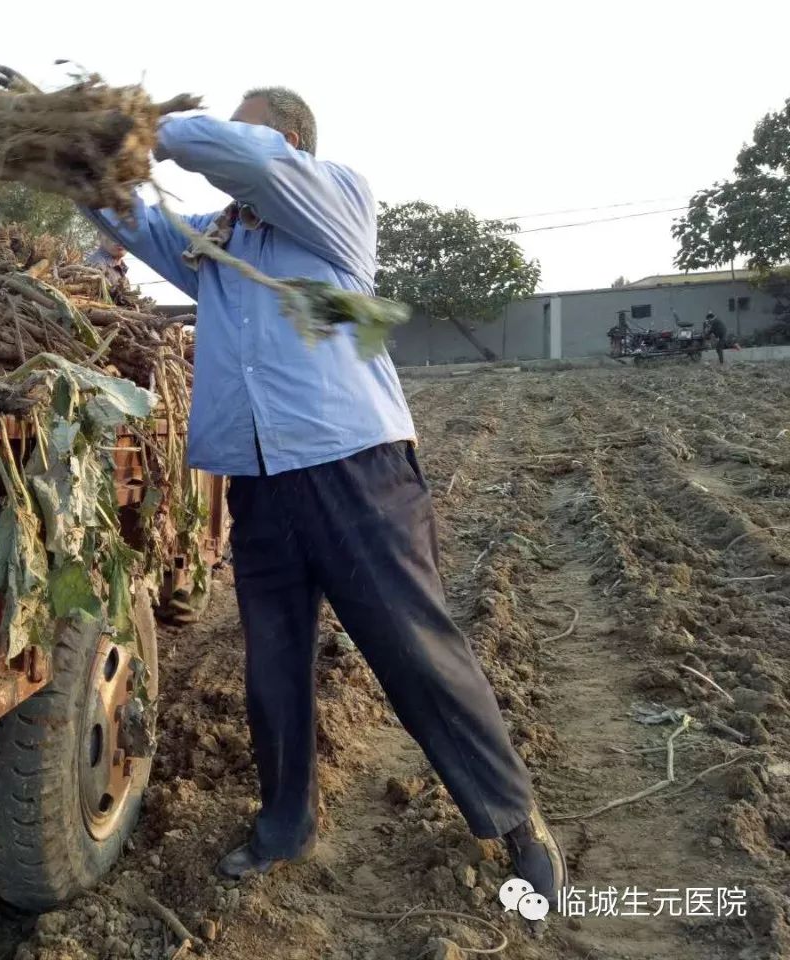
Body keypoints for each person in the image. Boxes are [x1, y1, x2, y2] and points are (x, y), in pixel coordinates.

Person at [87, 88, 567, 902]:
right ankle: (284, 823)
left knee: (414, 650)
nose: (235, 142)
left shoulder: (336, 204)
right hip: (259, 482)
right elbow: (137, 225)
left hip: (355, 467)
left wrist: (147, 127)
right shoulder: (222, 244)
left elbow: (246, 156)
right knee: (273, 663)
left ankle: (516, 821)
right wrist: (76, 153)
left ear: (292, 142)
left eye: (249, 126)